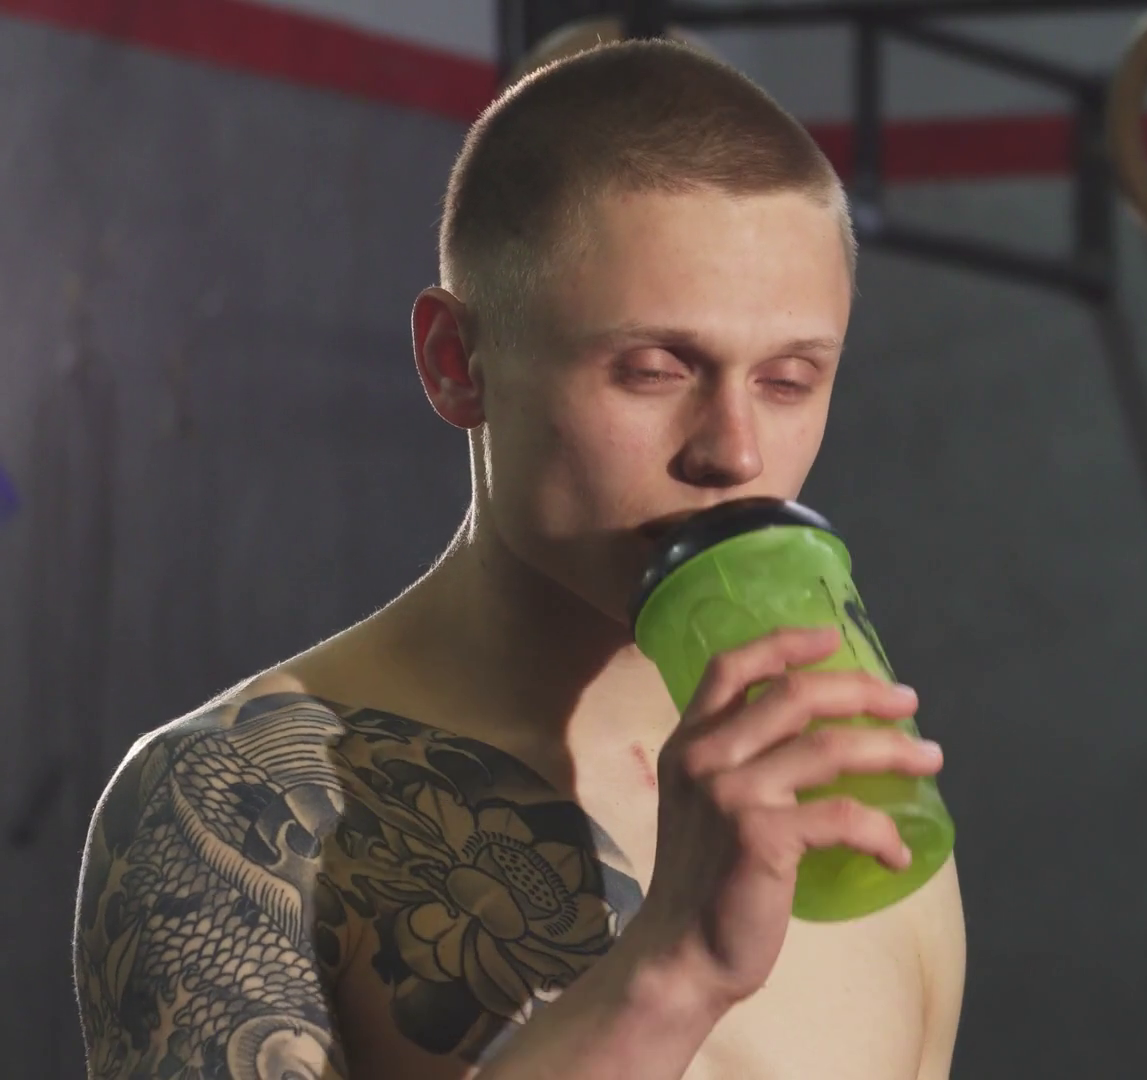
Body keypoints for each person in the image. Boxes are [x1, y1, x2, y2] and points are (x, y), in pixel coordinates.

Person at [71, 39, 965, 1080]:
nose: (735, 452)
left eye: (788, 381)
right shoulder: (233, 804)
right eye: (653, 370)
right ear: (457, 362)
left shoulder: (852, 799)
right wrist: (674, 974)